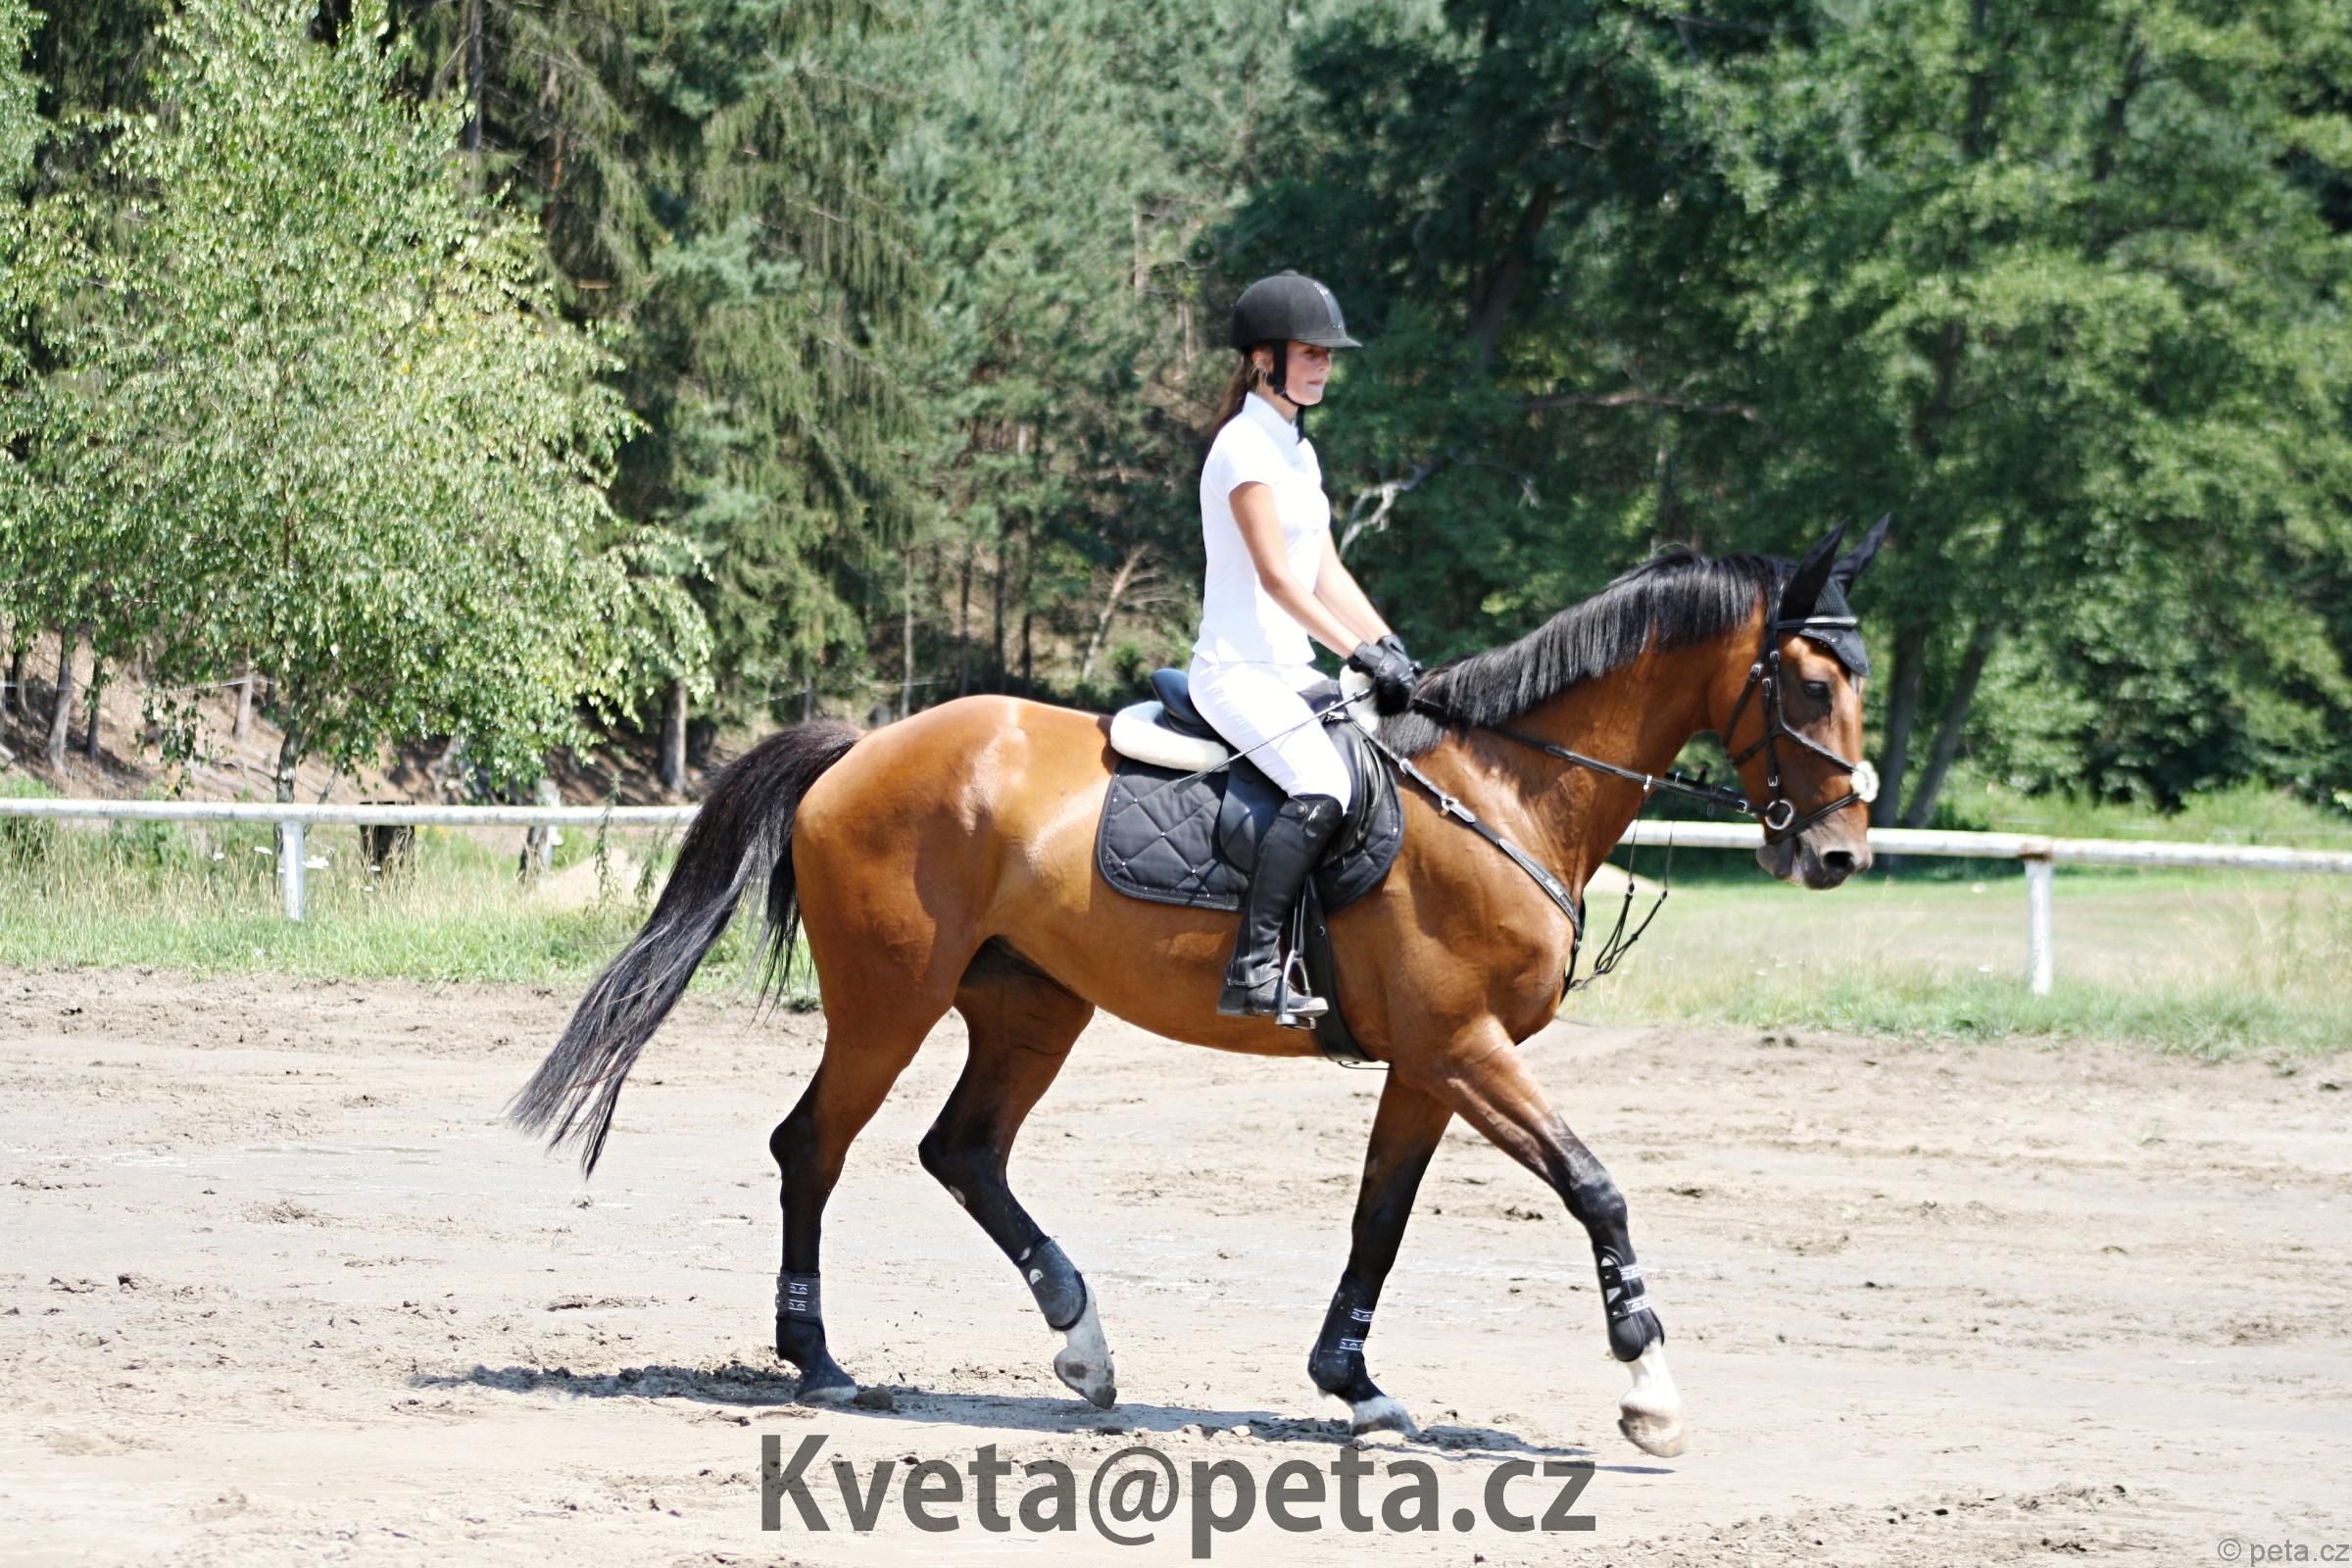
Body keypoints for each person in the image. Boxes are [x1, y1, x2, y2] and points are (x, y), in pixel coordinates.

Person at [1192, 270, 1418, 1022]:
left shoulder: (1296, 450)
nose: (1324, 365)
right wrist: (1359, 655)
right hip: (1236, 672)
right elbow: (1279, 580)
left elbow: (1327, 572)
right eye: (1312, 352)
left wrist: (1387, 643)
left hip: (1290, 670)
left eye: (1328, 355)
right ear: (1265, 358)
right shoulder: (1242, 447)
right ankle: (1253, 967)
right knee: (1325, 784)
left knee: (1382, 764)